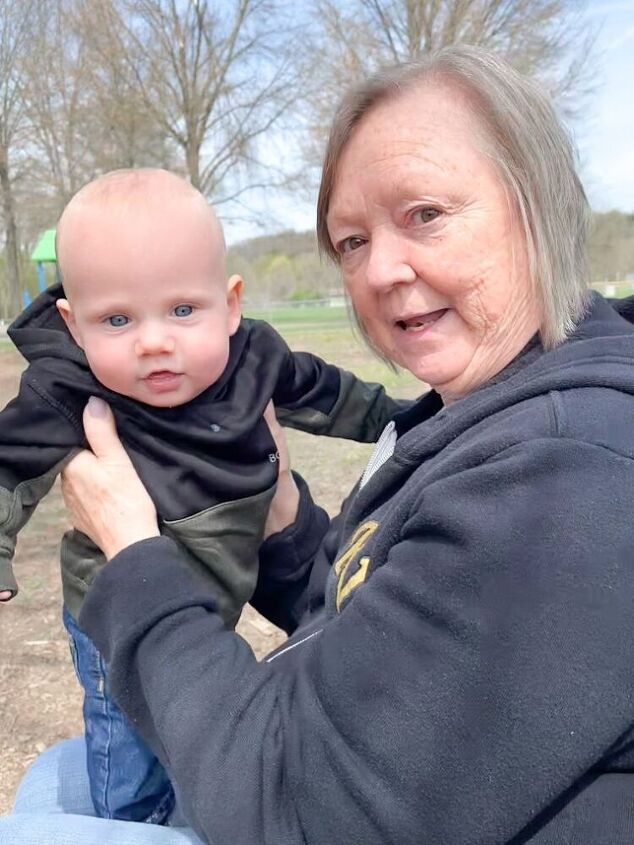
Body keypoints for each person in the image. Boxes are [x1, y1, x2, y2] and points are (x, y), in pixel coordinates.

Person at [3, 43, 634, 845]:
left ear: (537, 204)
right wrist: (288, 524)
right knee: (52, 778)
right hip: (289, 754)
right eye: (351, 241)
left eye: (425, 214)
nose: (381, 270)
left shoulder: (563, 480)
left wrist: (131, 552)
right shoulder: (480, 405)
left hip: (284, 806)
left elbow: (295, 813)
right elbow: (380, 631)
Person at [0, 169, 401, 824]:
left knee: (194, 732)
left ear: (230, 303)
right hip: (113, 614)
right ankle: (128, 824)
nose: (155, 340)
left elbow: (328, 395)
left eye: (183, 310)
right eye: (118, 318)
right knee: (127, 743)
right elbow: (8, 465)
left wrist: (403, 415)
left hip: (210, 602)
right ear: (73, 324)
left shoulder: (253, 359)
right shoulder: (66, 389)